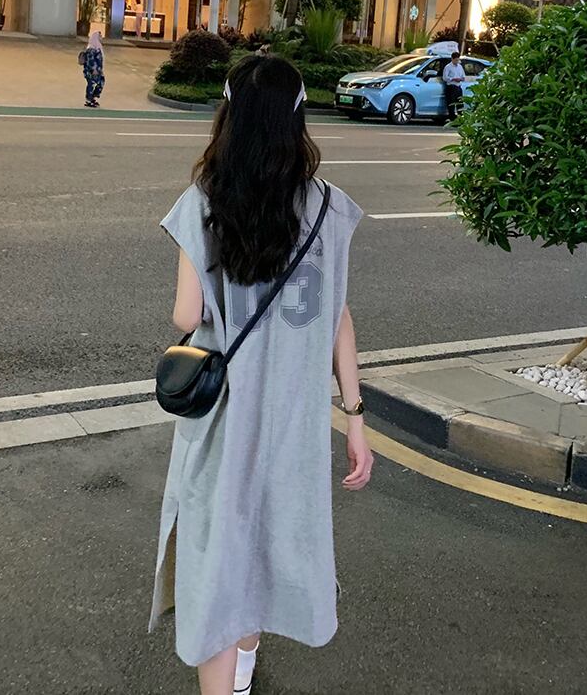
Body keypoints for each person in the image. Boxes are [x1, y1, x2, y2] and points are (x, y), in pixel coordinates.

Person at [149, 53, 374, 695]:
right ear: (296, 121)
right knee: (267, 551)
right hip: (292, 427)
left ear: (230, 117)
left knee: (217, 565)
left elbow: (186, 314)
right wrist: (355, 419)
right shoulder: (330, 209)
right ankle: (244, 674)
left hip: (222, 424)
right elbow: (338, 317)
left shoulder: (204, 202)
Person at [82, 31, 104, 108]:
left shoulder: (97, 47)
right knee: (91, 84)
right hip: (91, 71)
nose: (101, 38)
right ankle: (88, 100)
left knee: (100, 82)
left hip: (98, 70)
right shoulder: (91, 49)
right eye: (100, 36)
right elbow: (90, 61)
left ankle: (92, 97)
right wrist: (94, 69)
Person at [443, 51, 466, 120]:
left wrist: (461, 79)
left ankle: (460, 118)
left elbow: (463, 76)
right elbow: (445, 78)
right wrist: (453, 79)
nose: (457, 61)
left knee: (460, 103)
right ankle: (452, 118)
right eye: (455, 60)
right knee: (451, 104)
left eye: (458, 60)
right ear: (452, 59)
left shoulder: (460, 67)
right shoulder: (448, 67)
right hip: (451, 87)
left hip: (458, 87)